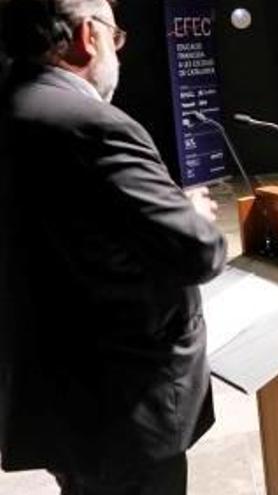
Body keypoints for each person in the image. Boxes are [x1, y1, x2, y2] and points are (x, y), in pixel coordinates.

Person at [0, 1, 228, 493]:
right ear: (87, 36)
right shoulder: (94, 124)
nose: (118, 52)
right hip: (126, 404)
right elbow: (198, 251)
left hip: (57, 395)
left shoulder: (11, 108)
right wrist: (190, 212)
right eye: (115, 36)